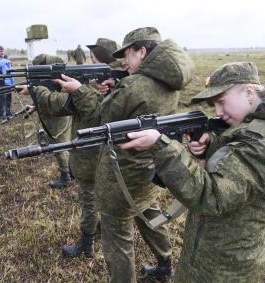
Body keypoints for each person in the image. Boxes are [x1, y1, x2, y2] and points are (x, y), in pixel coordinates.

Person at [119, 62, 265, 282]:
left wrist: (162, 147)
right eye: (214, 105)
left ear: (249, 92)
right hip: (216, 248)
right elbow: (238, 151)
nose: (218, 112)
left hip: (225, 266)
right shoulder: (258, 120)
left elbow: (212, 197)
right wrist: (212, 145)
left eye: (221, 102)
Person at [54, 27, 195, 282]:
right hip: (149, 166)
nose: (125, 62)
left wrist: (79, 90)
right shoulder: (167, 82)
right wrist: (117, 88)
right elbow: (136, 113)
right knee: (149, 215)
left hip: (122, 174)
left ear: (142, 51)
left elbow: (99, 120)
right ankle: (165, 265)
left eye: (128, 54)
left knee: (118, 237)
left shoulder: (134, 85)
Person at [18, 38, 123, 258]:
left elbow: (61, 106)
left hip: (91, 152)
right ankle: (98, 230)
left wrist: (39, 91)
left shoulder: (105, 87)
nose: (89, 63)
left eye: (94, 59)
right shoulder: (116, 84)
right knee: (99, 196)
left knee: (89, 199)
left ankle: (86, 245)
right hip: (104, 151)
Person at [31, 53, 71, 188]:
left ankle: (66, 177)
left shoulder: (55, 77)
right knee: (64, 145)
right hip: (58, 113)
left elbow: (52, 99)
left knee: (59, 147)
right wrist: (34, 106)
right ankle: (70, 172)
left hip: (57, 116)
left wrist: (36, 91)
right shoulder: (52, 74)